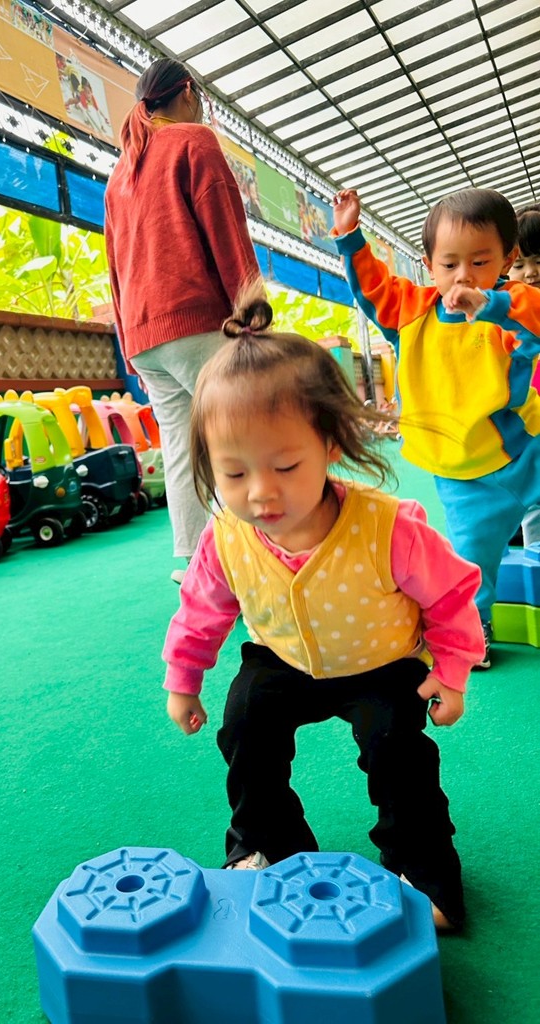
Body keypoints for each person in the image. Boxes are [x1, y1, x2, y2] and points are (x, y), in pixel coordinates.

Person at [162, 288, 485, 933]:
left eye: (286, 465)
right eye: (233, 474)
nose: (261, 493)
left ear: (331, 445)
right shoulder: (227, 537)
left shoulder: (388, 527)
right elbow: (200, 610)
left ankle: (423, 869)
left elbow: (451, 594)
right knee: (246, 724)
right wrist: (183, 678)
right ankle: (266, 845)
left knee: (396, 747)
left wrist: (451, 673)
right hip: (282, 659)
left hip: (382, 663)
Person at [332, 187, 540, 668]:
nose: (464, 275)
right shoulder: (411, 312)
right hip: (465, 475)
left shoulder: (513, 305)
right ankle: (475, 628)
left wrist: (489, 305)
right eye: (450, 264)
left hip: (527, 447)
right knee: (471, 557)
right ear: (429, 265)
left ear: (507, 260)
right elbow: (372, 288)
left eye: (480, 262)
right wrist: (349, 235)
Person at [104, 58, 259, 583]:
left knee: (180, 446)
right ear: (188, 92)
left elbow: (113, 268)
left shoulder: (119, 174)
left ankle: (196, 564)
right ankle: (254, 559)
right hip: (196, 323)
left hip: (145, 336)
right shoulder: (195, 141)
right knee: (241, 436)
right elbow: (227, 230)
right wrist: (253, 311)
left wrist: (130, 345)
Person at [508, 206, 540, 547]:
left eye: (539, 261)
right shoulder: (501, 322)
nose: (530, 273)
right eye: (519, 264)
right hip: (527, 441)